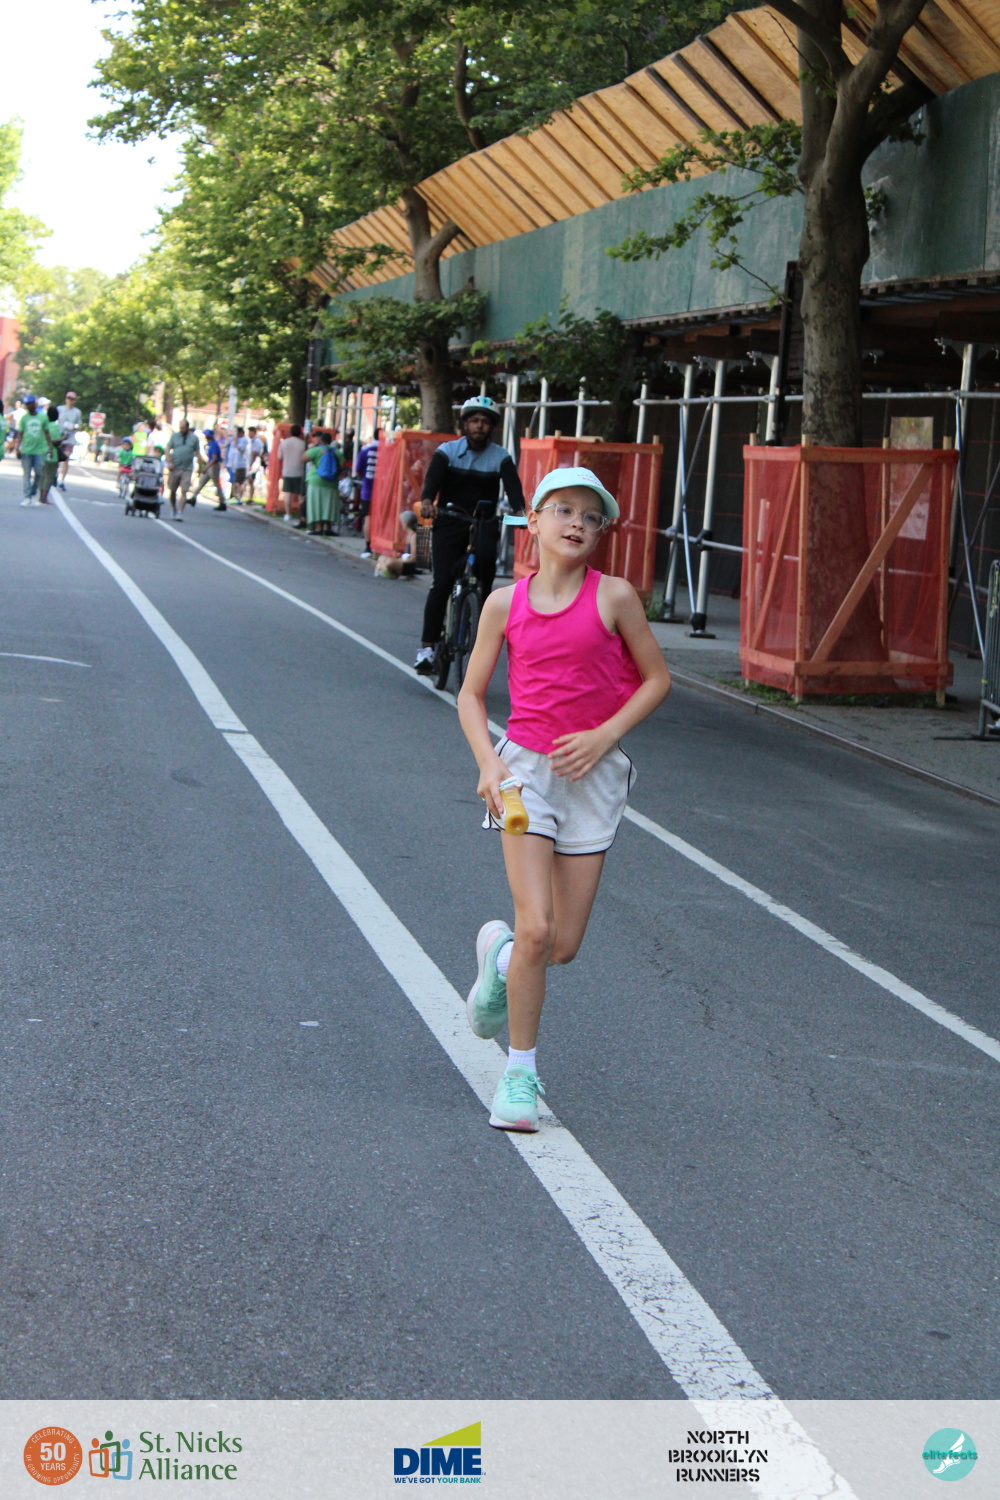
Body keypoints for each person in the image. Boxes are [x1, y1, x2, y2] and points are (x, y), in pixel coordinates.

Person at [456, 468, 672, 1132]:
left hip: (594, 777)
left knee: (562, 945)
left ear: (600, 532)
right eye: (563, 510)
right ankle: (519, 1075)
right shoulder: (504, 604)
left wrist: (604, 735)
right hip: (522, 774)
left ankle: (499, 957)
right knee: (538, 927)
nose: (576, 522)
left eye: (590, 515)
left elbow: (657, 679)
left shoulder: (616, 597)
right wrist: (488, 762)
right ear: (534, 521)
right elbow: (470, 696)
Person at [413, 396, 525, 674]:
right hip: (450, 520)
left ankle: (478, 635)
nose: (479, 426)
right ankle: (427, 648)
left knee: (486, 579)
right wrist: (427, 501)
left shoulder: (500, 456)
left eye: (485, 422)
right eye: (474, 421)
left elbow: (514, 490)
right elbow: (432, 482)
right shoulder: (448, 451)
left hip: (484, 521)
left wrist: (521, 513)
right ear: (464, 424)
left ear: (492, 427)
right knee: (442, 583)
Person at [15, 395, 56, 505]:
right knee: (26, 475)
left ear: (34, 404)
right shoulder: (24, 418)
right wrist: (17, 448)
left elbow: (47, 433)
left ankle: (33, 491)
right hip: (26, 450)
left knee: (39, 473)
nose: (28, 406)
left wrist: (50, 447)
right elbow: (20, 434)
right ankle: (27, 496)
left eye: (30, 404)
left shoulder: (42, 418)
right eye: (26, 404)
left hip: (39, 450)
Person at [303, 430, 340, 535]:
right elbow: (342, 465)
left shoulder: (317, 450)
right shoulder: (336, 452)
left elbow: (303, 458)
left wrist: (313, 448)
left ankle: (318, 528)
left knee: (317, 504)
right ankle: (328, 528)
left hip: (316, 480)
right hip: (332, 482)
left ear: (321, 440)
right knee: (329, 506)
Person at [353, 427, 381, 557]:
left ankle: (368, 546)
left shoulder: (365, 451)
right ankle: (379, 545)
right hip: (383, 492)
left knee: (368, 517)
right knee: (381, 517)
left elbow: (358, 471)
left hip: (368, 490)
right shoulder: (388, 451)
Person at [165, 419, 199, 520]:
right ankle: (173, 509)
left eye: (183, 428)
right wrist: (169, 462)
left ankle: (180, 512)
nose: (182, 430)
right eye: (180, 428)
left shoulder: (194, 438)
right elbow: (167, 448)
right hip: (175, 467)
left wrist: (200, 467)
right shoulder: (175, 436)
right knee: (172, 490)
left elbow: (197, 452)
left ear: (187, 427)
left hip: (187, 468)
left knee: (184, 491)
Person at [54, 390, 83, 491]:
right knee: (56, 458)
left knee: (66, 458)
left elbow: (79, 425)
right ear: (66, 399)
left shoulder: (77, 412)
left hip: (69, 437)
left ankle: (62, 480)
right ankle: (55, 474)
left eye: (72, 399)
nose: (70, 400)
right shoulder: (60, 409)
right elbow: (54, 420)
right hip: (59, 436)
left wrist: (74, 427)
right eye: (68, 398)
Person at [191, 428, 227, 509]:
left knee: (216, 484)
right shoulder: (210, 444)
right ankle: (193, 497)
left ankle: (222, 501)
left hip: (213, 466)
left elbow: (214, 458)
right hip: (210, 465)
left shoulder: (214, 444)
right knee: (202, 481)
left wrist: (206, 467)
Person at [278, 424, 306, 521]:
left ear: (290, 432)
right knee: (300, 494)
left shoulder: (284, 443)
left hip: (287, 470)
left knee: (287, 493)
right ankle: (301, 515)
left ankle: (287, 514)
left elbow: (279, 456)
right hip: (299, 471)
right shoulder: (303, 444)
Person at [38, 405, 63, 503]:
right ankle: (44, 497)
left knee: (42, 475)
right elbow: (54, 441)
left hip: (42, 452)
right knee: (49, 476)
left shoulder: (44, 425)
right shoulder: (54, 426)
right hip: (52, 454)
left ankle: (41, 495)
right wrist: (63, 438)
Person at [225, 426, 250, 503]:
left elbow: (240, 449)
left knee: (240, 482)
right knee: (235, 481)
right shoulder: (237, 439)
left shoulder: (245, 440)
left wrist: (236, 442)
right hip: (236, 464)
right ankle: (234, 496)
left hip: (242, 464)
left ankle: (239, 497)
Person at [247, 426, 268, 501]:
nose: (249, 434)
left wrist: (251, 463)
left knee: (251, 479)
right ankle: (250, 497)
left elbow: (255, 453)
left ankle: (251, 498)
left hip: (255, 462)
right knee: (250, 480)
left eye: (250, 432)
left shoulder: (257, 441)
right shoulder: (252, 440)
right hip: (253, 462)